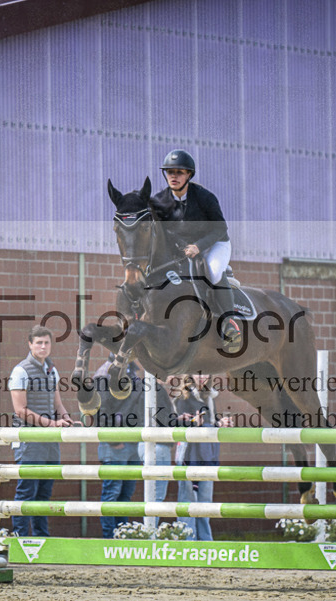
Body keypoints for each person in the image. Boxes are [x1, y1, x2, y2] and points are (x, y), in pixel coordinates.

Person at [155, 149, 241, 347]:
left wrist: (199, 246)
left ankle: (229, 323)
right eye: (170, 172)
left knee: (213, 270)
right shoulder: (160, 201)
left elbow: (220, 228)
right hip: (183, 248)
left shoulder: (204, 197)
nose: (174, 176)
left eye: (179, 172)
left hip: (215, 243)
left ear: (189, 175)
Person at [8, 325, 74, 537]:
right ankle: (20, 536)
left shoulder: (52, 369)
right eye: (39, 343)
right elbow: (20, 410)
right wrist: (53, 424)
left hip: (49, 440)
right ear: (30, 344)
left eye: (46, 342)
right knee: (27, 490)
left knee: (45, 492)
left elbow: (57, 404)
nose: (43, 346)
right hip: (29, 440)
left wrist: (66, 418)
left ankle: (41, 537)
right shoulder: (20, 371)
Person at [93, 356, 143, 538]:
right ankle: (109, 540)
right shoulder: (104, 373)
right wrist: (114, 441)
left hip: (133, 441)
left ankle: (122, 539)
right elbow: (100, 410)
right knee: (112, 494)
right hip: (115, 444)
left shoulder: (133, 371)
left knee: (126, 495)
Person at [174, 374, 224, 541]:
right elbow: (180, 423)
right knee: (188, 499)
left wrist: (221, 424)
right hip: (189, 454)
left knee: (205, 501)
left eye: (205, 374)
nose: (202, 377)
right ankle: (187, 541)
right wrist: (195, 422)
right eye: (198, 373)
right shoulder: (183, 398)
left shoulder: (209, 397)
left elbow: (212, 424)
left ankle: (205, 542)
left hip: (207, 455)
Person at [137, 377, 175, 527]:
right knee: (157, 496)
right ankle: (150, 532)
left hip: (144, 444)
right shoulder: (157, 391)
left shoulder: (142, 388)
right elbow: (164, 421)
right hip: (158, 446)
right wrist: (186, 421)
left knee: (151, 495)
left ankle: (148, 531)